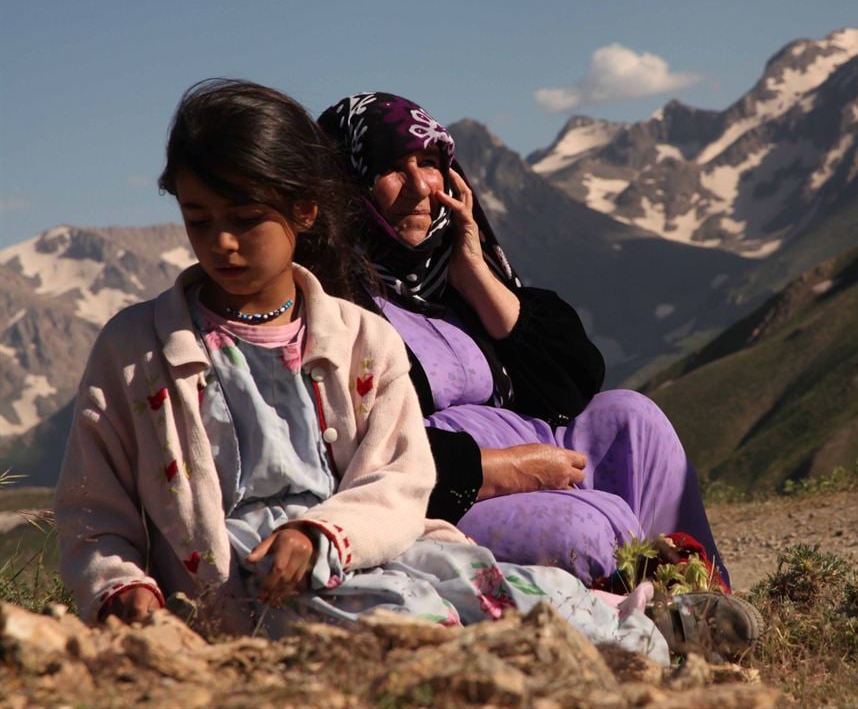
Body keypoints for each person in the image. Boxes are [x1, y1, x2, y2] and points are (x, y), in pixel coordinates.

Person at [51, 78, 674, 661]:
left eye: (245, 220)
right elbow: (92, 504)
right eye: (199, 219)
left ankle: (644, 631)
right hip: (239, 587)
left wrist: (323, 534)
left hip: (359, 550)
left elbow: (399, 480)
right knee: (406, 618)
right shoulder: (136, 350)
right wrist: (122, 587)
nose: (222, 244)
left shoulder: (359, 339)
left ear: (306, 212)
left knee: (495, 585)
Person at [316, 92, 730, 589]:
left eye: (429, 163)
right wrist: (505, 468)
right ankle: (632, 625)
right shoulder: (334, 304)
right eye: (391, 168)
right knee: (583, 530)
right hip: (442, 493)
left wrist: (474, 275)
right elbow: (360, 447)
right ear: (347, 185)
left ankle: (701, 595)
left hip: (536, 455)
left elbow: (573, 383)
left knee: (632, 417)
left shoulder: (452, 279)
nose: (420, 186)